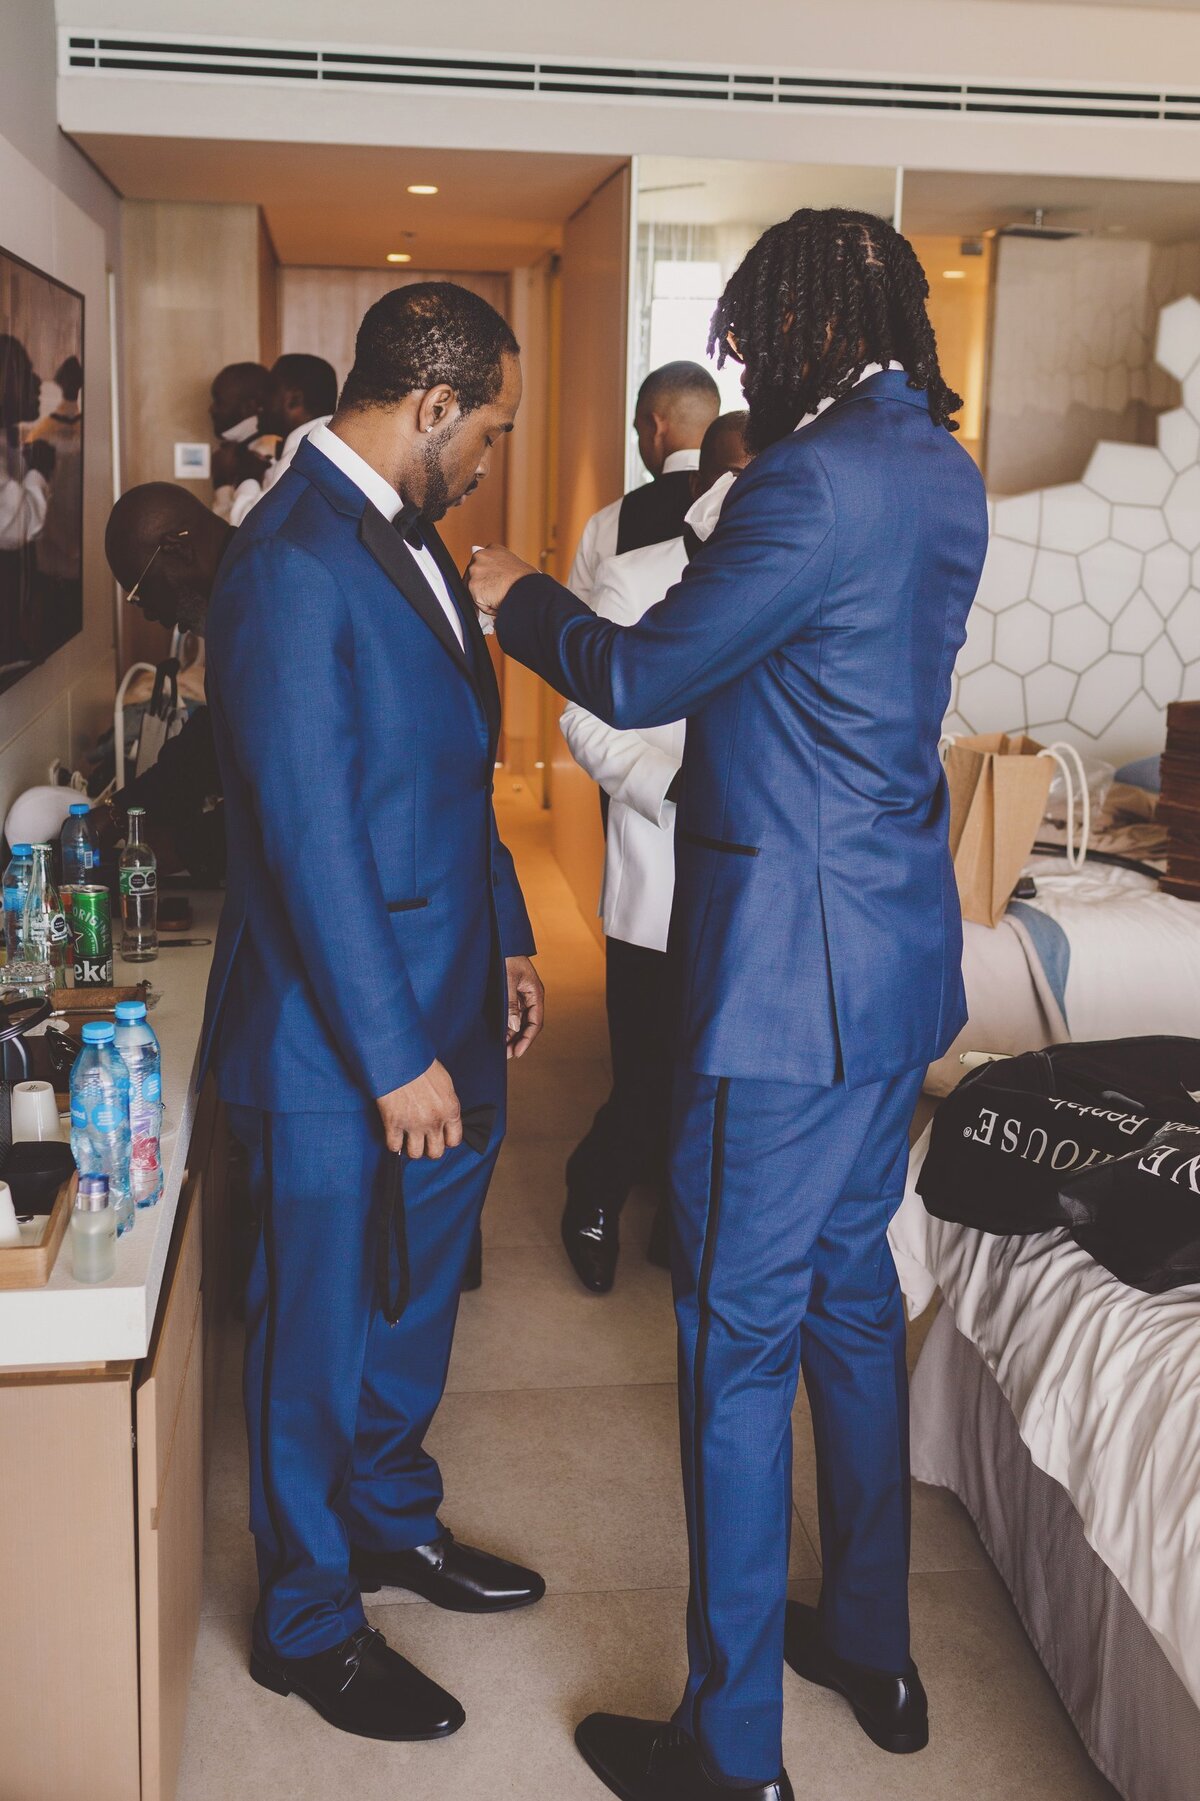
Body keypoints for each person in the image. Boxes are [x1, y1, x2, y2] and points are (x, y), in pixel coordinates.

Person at [469, 207, 989, 1801]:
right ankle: (878, 1648)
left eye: (752, 335)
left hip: (783, 987)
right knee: (848, 1299)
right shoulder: (933, 469)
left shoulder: (811, 482)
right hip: (897, 962)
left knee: (735, 1341)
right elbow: (826, 658)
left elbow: (634, 680)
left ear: (803, 327)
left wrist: (514, 592)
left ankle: (729, 1743)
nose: (746, 359)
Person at [199, 280, 546, 1744]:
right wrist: (395, 1050)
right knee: (317, 1325)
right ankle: (305, 1618)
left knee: (413, 1300)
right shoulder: (288, 558)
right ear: (430, 406)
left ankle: (393, 1517)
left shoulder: (406, 542)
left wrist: (515, 940)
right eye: (492, 430)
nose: (491, 458)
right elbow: (309, 833)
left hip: (454, 994)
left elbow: (451, 774)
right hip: (339, 1039)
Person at [558, 411, 751, 1293]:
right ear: (702, 482)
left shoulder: (794, 582)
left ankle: (685, 1226)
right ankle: (593, 1189)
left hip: (756, 883)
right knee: (645, 1077)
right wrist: (672, 785)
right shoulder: (635, 581)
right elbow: (582, 714)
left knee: (721, 1079)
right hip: (664, 864)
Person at [102, 482, 233, 880]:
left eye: (141, 593)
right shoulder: (234, 597)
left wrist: (181, 848)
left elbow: (291, 792)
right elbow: (221, 732)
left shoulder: (265, 598)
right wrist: (119, 813)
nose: (149, 614)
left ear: (176, 547)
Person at [569, 360, 720, 602]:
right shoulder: (743, 508)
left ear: (655, 426)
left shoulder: (605, 524)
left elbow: (577, 621)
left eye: (638, 431)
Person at [220, 351, 339, 527]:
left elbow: (248, 529)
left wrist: (248, 478)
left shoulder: (302, 455)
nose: (259, 403)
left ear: (294, 400)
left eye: (269, 391)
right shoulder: (329, 442)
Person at [209, 361, 275, 521]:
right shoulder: (235, 451)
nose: (211, 409)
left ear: (250, 407)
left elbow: (241, 529)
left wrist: (222, 483)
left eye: (219, 401)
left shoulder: (271, 456)